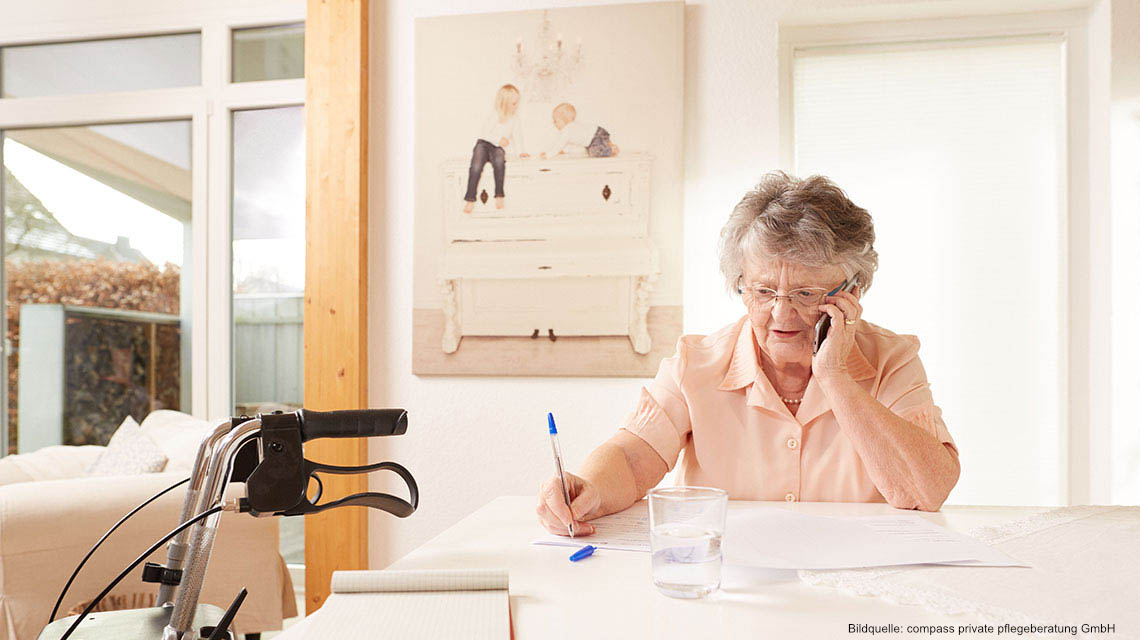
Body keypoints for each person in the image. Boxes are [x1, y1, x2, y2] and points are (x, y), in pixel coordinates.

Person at [536, 172, 961, 536]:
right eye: (762, 290)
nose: (780, 312)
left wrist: (836, 379)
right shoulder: (695, 363)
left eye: (805, 293)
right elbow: (631, 459)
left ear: (850, 292)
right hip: (731, 586)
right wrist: (586, 487)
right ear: (739, 283)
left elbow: (926, 492)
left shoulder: (892, 359)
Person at [463, 84, 529, 214]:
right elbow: (484, 133)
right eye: (514, 103)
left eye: (517, 103)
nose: (516, 106)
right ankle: (470, 199)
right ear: (505, 103)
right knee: (476, 167)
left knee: (499, 164)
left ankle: (499, 195)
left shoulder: (515, 119)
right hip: (484, 144)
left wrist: (521, 151)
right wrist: (499, 139)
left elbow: (518, 137)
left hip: (497, 148)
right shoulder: (496, 115)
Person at [540, 102, 619, 159]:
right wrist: (563, 151)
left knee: (595, 153)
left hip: (595, 136)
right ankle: (607, 143)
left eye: (555, 120)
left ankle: (611, 149)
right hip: (598, 132)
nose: (554, 123)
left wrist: (548, 155)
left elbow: (559, 145)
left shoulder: (567, 131)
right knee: (589, 150)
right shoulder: (571, 128)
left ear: (563, 119)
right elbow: (567, 143)